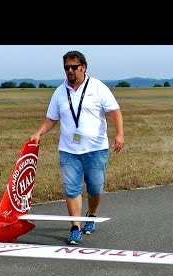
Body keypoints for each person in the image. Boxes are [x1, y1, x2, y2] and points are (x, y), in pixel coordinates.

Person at [29, 50, 124, 246]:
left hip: (96, 149)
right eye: (66, 67)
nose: (70, 71)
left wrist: (119, 134)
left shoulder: (97, 87)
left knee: (95, 188)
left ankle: (92, 215)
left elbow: (114, 111)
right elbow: (51, 119)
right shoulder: (59, 92)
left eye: (73, 67)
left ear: (83, 67)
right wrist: (38, 133)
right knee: (71, 189)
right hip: (68, 150)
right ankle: (75, 227)